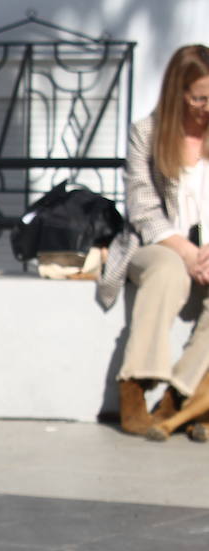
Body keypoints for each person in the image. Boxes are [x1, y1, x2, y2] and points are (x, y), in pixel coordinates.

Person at [99, 44, 209, 439]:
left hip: (204, 252)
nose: (206, 107)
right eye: (200, 97)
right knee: (167, 271)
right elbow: (143, 209)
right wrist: (189, 252)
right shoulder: (145, 133)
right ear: (177, 92)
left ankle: (180, 397)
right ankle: (135, 386)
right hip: (155, 244)